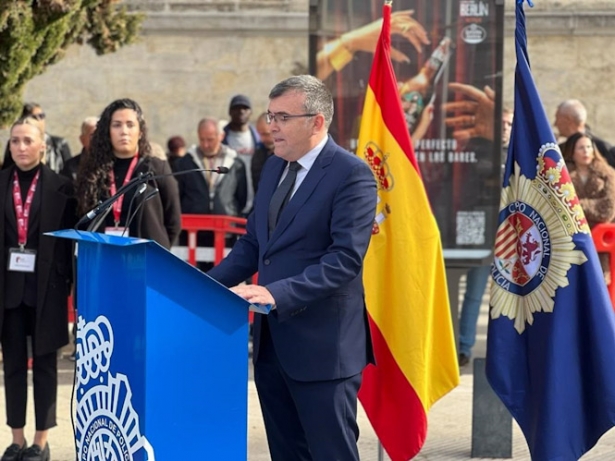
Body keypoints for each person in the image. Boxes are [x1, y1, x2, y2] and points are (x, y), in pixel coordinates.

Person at [207, 75, 377, 461]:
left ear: (316, 121)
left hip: (323, 350)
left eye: (282, 117)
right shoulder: (272, 167)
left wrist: (276, 293)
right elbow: (253, 245)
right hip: (272, 348)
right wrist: (200, 286)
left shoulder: (352, 175)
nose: (271, 126)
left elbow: (345, 259)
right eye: (270, 116)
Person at [0, 117, 77, 461]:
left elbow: (69, 244)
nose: (20, 147)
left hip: (48, 289)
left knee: (45, 364)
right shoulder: (1, 183)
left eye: (27, 140)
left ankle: (40, 442)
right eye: (15, 141)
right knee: (13, 364)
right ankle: (16, 439)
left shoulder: (63, 187)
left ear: (43, 146)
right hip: (8, 290)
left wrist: (70, 287)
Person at [75, 98, 181, 249]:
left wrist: (158, 251)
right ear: (108, 131)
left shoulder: (157, 169)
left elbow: (173, 222)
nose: (124, 131)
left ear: (140, 132)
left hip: (146, 260)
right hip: (103, 257)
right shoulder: (93, 171)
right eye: (117, 125)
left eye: (130, 125)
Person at [456, 107, 512, 367]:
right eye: (501, 123)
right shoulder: (477, 147)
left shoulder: (514, 153)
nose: (505, 128)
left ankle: (468, 346)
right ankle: (457, 344)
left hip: (501, 233)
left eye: (510, 124)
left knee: (489, 295)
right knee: (462, 290)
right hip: (470, 223)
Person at [175, 117, 247, 269]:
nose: (206, 144)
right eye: (202, 139)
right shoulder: (185, 163)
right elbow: (178, 196)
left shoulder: (236, 163)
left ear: (221, 136)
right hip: (193, 233)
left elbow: (242, 197)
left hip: (226, 232)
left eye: (210, 139)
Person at [562, 132, 615, 284]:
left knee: (598, 285)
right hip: (571, 240)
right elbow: (561, 206)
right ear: (572, 151)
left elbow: (608, 210)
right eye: (581, 148)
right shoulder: (562, 176)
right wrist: (590, 206)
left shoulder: (608, 174)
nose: (586, 151)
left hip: (600, 244)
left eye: (588, 147)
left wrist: (577, 205)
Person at [2, 103, 72, 174]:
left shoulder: (60, 144)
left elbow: (70, 173)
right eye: (35, 117)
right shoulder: (14, 144)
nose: (40, 120)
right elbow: (6, 171)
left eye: (42, 116)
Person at [223, 94, 261, 214]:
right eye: (236, 108)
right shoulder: (222, 139)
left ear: (251, 112)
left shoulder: (259, 139)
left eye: (245, 108)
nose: (241, 111)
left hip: (256, 199)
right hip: (231, 203)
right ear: (229, 111)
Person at [554, 99, 615, 167]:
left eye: (557, 119)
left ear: (568, 120)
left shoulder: (605, 150)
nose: (555, 124)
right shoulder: (559, 150)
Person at [60, 116, 98, 182]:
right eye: (93, 135)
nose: (99, 139)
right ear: (82, 140)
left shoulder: (114, 162)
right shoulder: (71, 167)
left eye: (102, 134)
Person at [251, 112, 274, 194]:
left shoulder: (290, 155)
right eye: (259, 134)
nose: (262, 139)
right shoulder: (258, 154)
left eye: (266, 134)